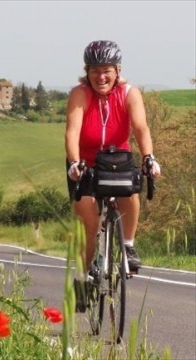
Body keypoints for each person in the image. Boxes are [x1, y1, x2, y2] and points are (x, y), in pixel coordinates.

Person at [65, 40, 161, 311]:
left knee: (131, 189)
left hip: (117, 161)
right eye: (94, 70)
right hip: (84, 163)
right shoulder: (80, 94)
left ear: (118, 70)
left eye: (106, 69)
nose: (101, 76)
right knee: (90, 226)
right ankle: (83, 279)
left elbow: (141, 127)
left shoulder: (130, 94)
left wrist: (148, 157)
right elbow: (72, 132)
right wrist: (74, 163)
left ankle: (128, 245)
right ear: (87, 72)